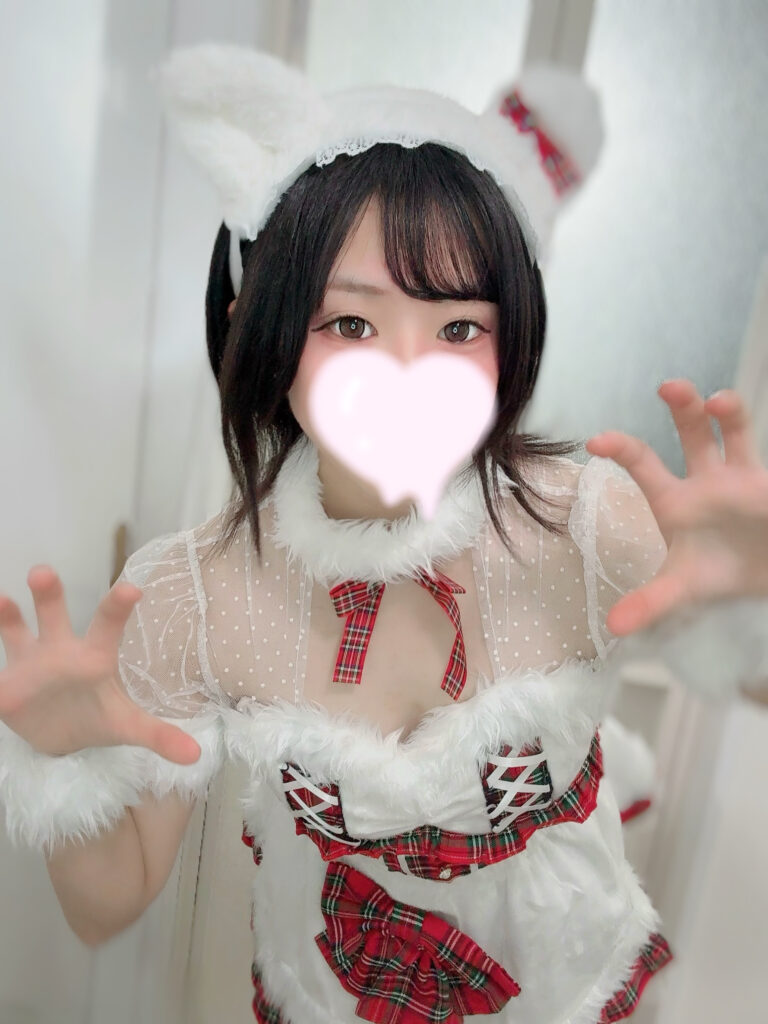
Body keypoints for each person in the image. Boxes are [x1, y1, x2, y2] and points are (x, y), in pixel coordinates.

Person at [2, 43, 768, 1024]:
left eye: (458, 328)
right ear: (261, 330)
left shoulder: (581, 520)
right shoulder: (196, 594)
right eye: (352, 325)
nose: (408, 369)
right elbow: (108, 904)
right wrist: (69, 762)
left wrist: (750, 602)